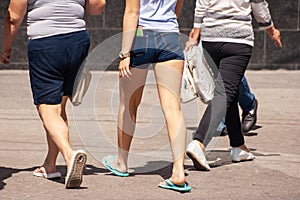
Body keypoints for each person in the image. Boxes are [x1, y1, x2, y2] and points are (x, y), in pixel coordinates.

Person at [1, 0, 106, 188]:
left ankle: (68, 154)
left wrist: (6, 48)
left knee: (47, 108)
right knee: (59, 107)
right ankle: (50, 165)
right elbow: (97, 7)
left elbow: (14, 16)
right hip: (78, 40)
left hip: (46, 43)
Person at [101, 0, 191, 192]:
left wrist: (125, 54)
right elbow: (177, 10)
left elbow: (132, 13)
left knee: (129, 104)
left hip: (142, 36)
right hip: (170, 36)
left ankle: (121, 162)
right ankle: (178, 172)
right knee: (173, 108)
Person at [185, 0, 282, 170]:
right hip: (237, 40)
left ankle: (238, 146)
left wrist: (196, 30)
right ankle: (199, 141)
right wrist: (271, 30)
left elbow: (201, 2)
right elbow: (259, 8)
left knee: (230, 92)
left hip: (211, 39)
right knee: (225, 93)